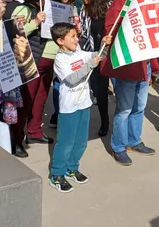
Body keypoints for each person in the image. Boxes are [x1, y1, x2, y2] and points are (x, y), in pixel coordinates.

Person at [101, 0, 158, 166]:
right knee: (124, 109)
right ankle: (119, 146)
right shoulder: (119, 4)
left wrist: (154, 66)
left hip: (144, 66)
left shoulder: (147, 4)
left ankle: (134, 140)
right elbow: (110, 30)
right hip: (126, 66)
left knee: (139, 107)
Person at [49, 22, 112, 193]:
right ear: (61, 41)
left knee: (81, 141)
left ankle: (72, 167)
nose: (77, 39)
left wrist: (104, 45)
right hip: (69, 107)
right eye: (73, 37)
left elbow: (97, 55)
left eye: (76, 36)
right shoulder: (60, 59)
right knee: (66, 142)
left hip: (84, 103)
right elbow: (71, 79)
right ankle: (57, 174)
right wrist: (91, 64)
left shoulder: (79, 52)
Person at [10, 0, 54, 153]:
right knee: (25, 102)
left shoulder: (48, 9)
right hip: (30, 62)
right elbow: (16, 31)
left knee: (40, 99)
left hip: (45, 60)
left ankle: (34, 131)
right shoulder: (24, 9)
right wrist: (35, 22)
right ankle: (16, 140)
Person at [80, 0, 112, 137]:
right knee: (99, 91)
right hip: (92, 54)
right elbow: (84, 34)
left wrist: (109, 38)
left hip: (109, 54)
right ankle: (104, 121)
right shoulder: (83, 10)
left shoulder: (109, 7)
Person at [48, 0, 80, 129]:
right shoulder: (48, 5)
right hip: (51, 49)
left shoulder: (74, 8)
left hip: (68, 51)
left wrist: (77, 29)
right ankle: (57, 113)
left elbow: (76, 32)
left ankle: (63, 113)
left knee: (63, 81)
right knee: (57, 83)